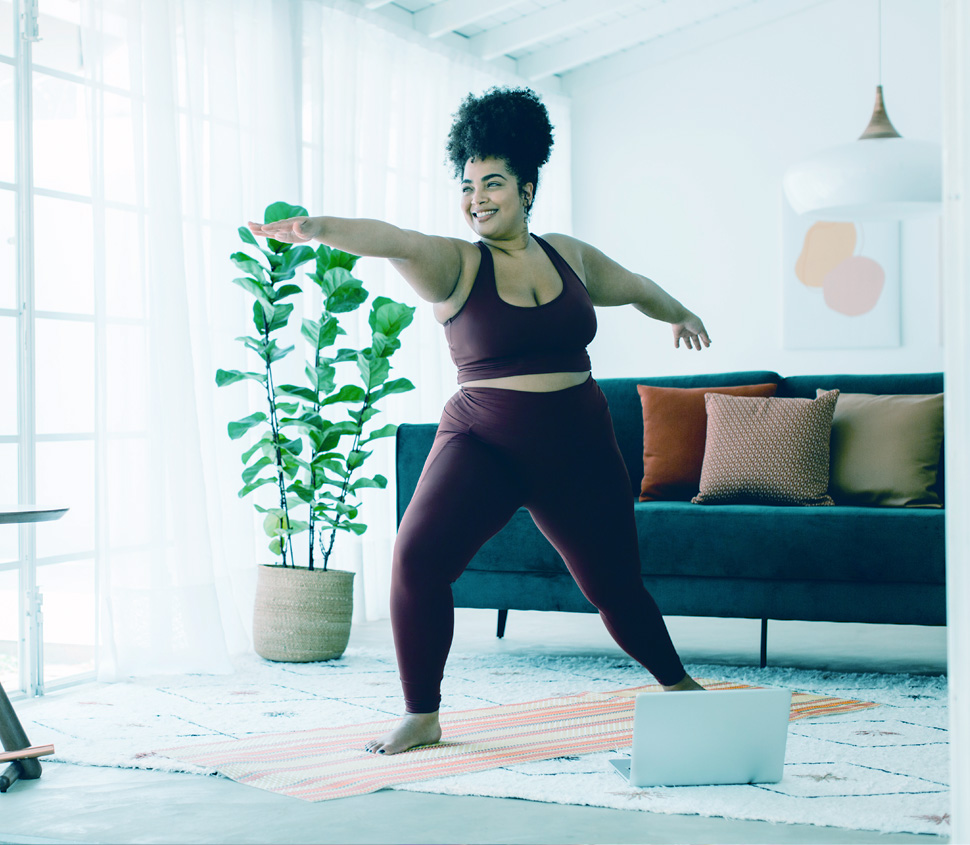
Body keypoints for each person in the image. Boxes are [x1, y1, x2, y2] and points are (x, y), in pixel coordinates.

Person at [249, 86, 711, 756]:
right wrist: (321, 230)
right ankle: (422, 712)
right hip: (485, 443)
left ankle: (676, 684)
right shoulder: (458, 262)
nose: (477, 198)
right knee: (416, 557)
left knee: (614, 584)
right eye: (467, 186)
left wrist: (679, 312)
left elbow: (634, 284)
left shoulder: (569, 256)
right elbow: (394, 239)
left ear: (527, 186)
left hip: (579, 442)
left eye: (492, 182)